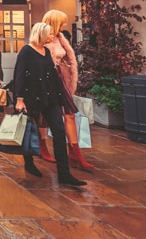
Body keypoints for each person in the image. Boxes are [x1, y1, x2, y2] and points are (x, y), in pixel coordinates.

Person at [13, 22, 86, 186]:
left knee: (59, 132)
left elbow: (52, 75)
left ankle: (64, 174)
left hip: (50, 97)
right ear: (41, 34)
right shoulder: (26, 51)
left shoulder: (46, 51)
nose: (52, 37)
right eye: (49, 34)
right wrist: (19, 99)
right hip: (32, 97)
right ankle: (29, 163)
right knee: (29, 131)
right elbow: (19, 75)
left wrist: (61, 96)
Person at [41, 9, 95, 170]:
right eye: (63, 21)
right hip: (46, 81)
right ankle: (42, 146)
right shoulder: (42, 37)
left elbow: (67, 57)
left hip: (61, 80)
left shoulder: (60, 37)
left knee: (70, 114)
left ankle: (75, 152)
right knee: (43, 116)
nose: (65, 24)